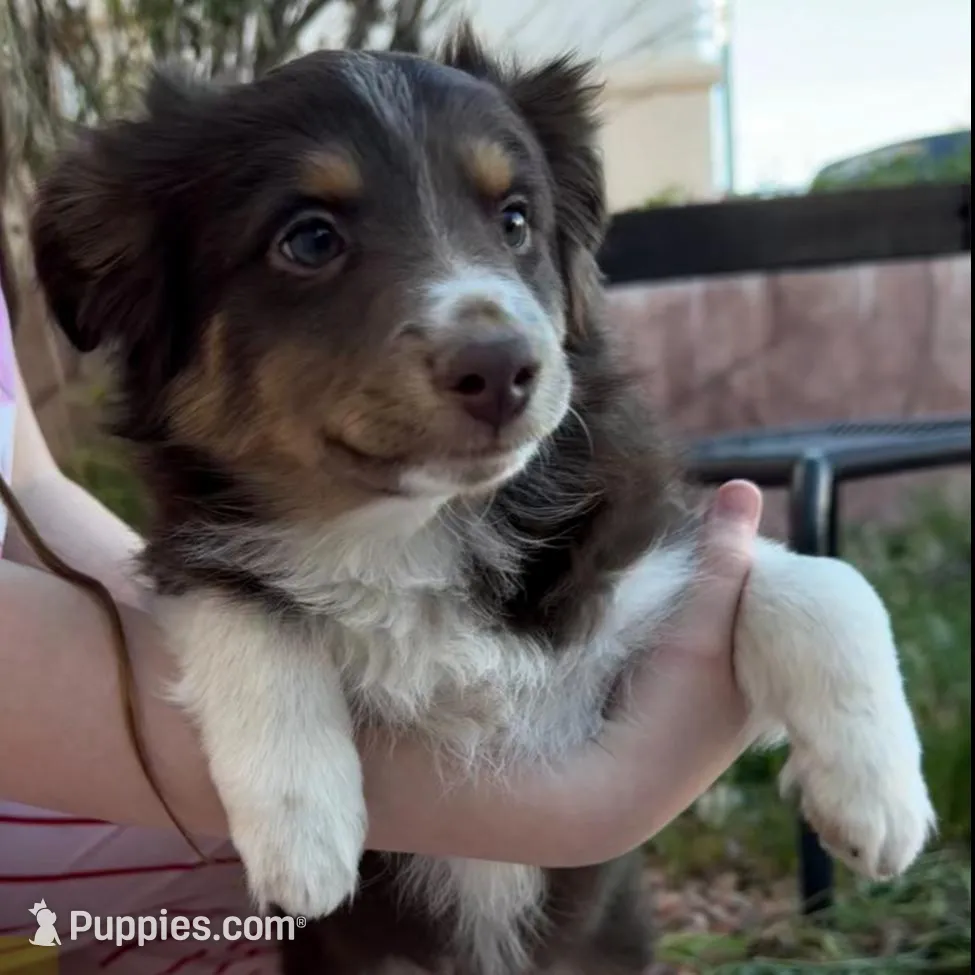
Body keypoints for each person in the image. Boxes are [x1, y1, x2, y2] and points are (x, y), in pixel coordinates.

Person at [0, 272, 763, 973]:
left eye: (512, 220)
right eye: (312, 242)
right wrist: (562, 806)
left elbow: (25, 486)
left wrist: (208, 608)